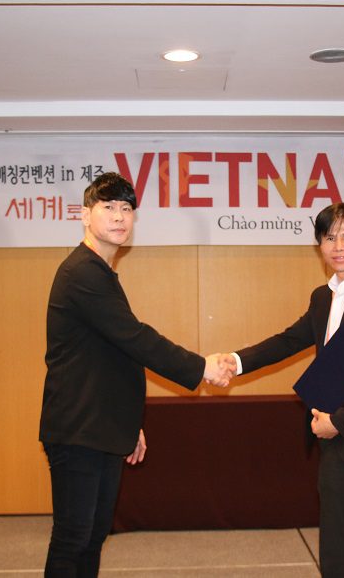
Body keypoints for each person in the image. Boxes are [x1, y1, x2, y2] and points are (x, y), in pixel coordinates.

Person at [39, 172, 232, 577]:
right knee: (73, 537)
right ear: (84, 215)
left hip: (100, 426)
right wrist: (202, 367)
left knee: (93, 535)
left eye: (126, 208)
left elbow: (115, 355)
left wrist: (127, 424)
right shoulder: (82, 273)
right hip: (78, 428)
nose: (119, 216)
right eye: (108, 207)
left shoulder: (101, 272)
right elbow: (136, 338)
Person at [224, 202, 344, 578]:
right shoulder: (323, 297)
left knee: (341, 539)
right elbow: (289, 340)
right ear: (319, 245)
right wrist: (236, 361)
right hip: (329, 425)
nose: (338, 246)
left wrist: (339, 421)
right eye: (329, 238)